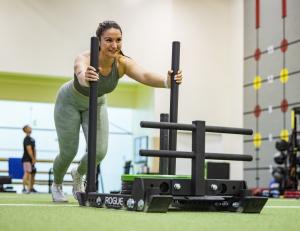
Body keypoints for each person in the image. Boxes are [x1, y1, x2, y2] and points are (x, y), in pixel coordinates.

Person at [51, 20, 183, 202]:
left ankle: (78, 173)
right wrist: (85, 76)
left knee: (99, 152)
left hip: (96, 102)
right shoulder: (85, 57)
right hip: (70, 101)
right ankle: (57, 184)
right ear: (99, 41)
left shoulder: (122, 63)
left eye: (118, 40)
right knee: (68, 152)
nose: (114, 45)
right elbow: (80, 72)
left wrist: (167, 81)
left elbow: (144, 75)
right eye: (108, 40)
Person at [22, 125, 37, 193]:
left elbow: (34, 149)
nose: (30, 128)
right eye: (29, 128)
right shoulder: (27, 139)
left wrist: (34, 159)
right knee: (27, 173)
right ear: (26, 130)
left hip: (31, 160)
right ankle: (25, 188)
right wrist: (33, 158)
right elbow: (29, 149)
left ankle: (31, 188)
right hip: (26, 159)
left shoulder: (32, 139)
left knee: (32, 173)